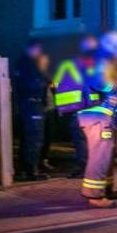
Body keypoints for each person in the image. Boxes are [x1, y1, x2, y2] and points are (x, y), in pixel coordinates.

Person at [77, 31, 117, 208]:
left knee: (107, 155)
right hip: (96, 117)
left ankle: (106, 190)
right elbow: (100, 83)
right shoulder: (101, 62)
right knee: (99, 156)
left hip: (102, 117)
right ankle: (95, 196)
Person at [52, 35, 97, 178]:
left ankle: (84, 168)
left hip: (75, 108)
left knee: (81, 140)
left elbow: (55, 85)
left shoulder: (67, 64)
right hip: (93, 106)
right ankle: (93, 168)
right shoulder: (95, 64)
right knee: (93, 140)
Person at [13, 39, 52, 181]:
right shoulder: (28, 64)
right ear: (32, 49)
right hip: (32, 104)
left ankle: (24, 169)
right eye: (39, 49)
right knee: (34, 138)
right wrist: (46, 80)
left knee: (28, 138)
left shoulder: (24, 63)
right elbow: (32, 85)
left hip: (29, 104)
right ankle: (32, 171)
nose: (40, 53)